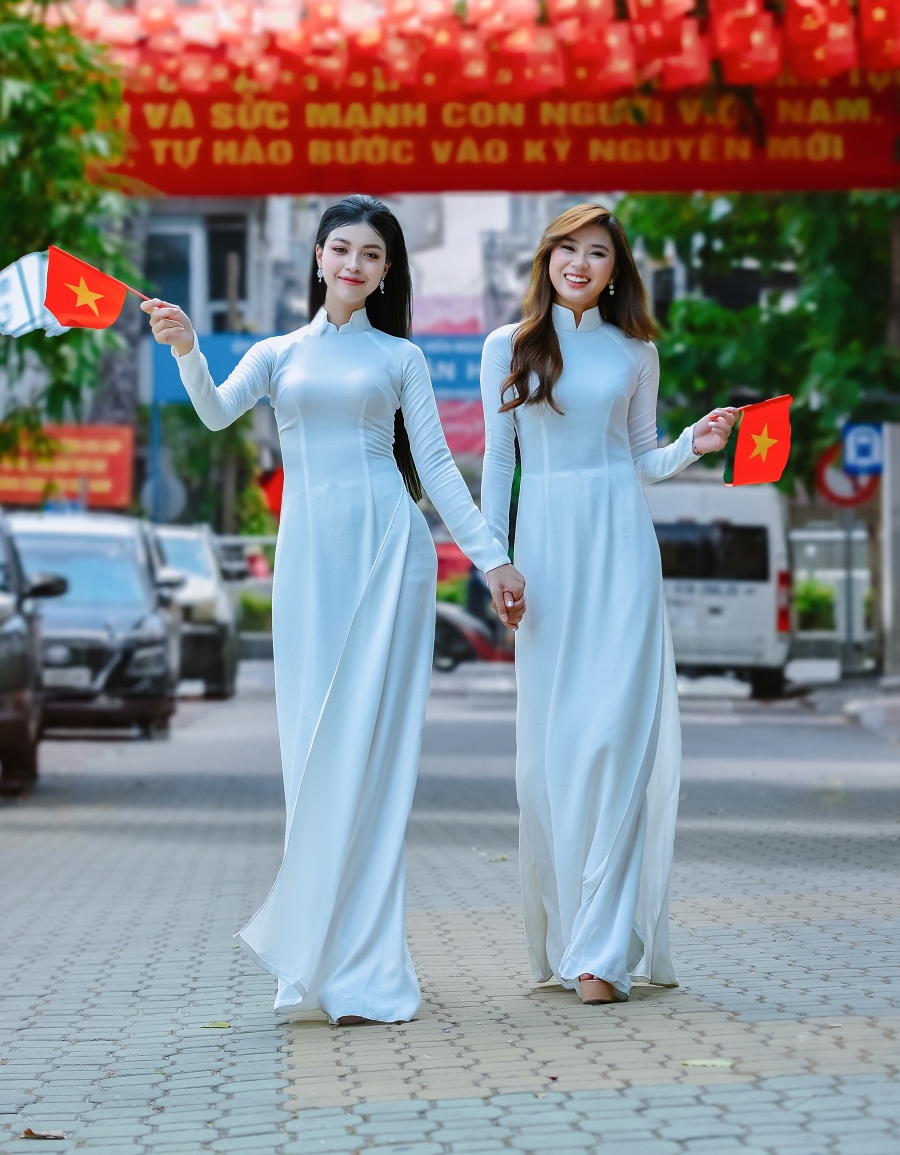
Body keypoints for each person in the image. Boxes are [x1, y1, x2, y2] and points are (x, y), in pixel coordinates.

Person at [143, 195, 525, 1026]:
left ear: (387, 271)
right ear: (318, 257)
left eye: (372, 254)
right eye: (342, 248)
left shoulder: (401, 357)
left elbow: (438, 470)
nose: (355, 263)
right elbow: (215, 411)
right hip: (309, 563)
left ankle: (365, 970)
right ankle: (309, 962)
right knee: (311, 753)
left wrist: (492, 557)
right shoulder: (277, 353)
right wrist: (186, 349)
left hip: (389, 555)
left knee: (376, 761)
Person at [479, 203, 735, 1005]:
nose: (580, 264)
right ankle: (571, 934)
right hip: (546, 560)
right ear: (546, 259)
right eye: (568, 249)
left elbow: (640, 458)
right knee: (551, 758)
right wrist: (496, 561)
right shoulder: (508, 346)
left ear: (616, 269)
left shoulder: (636, 352)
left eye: (598, 252)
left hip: (623, 551)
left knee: (619, 741)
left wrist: (692, 443)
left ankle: (600, 954)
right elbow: (498, 465)